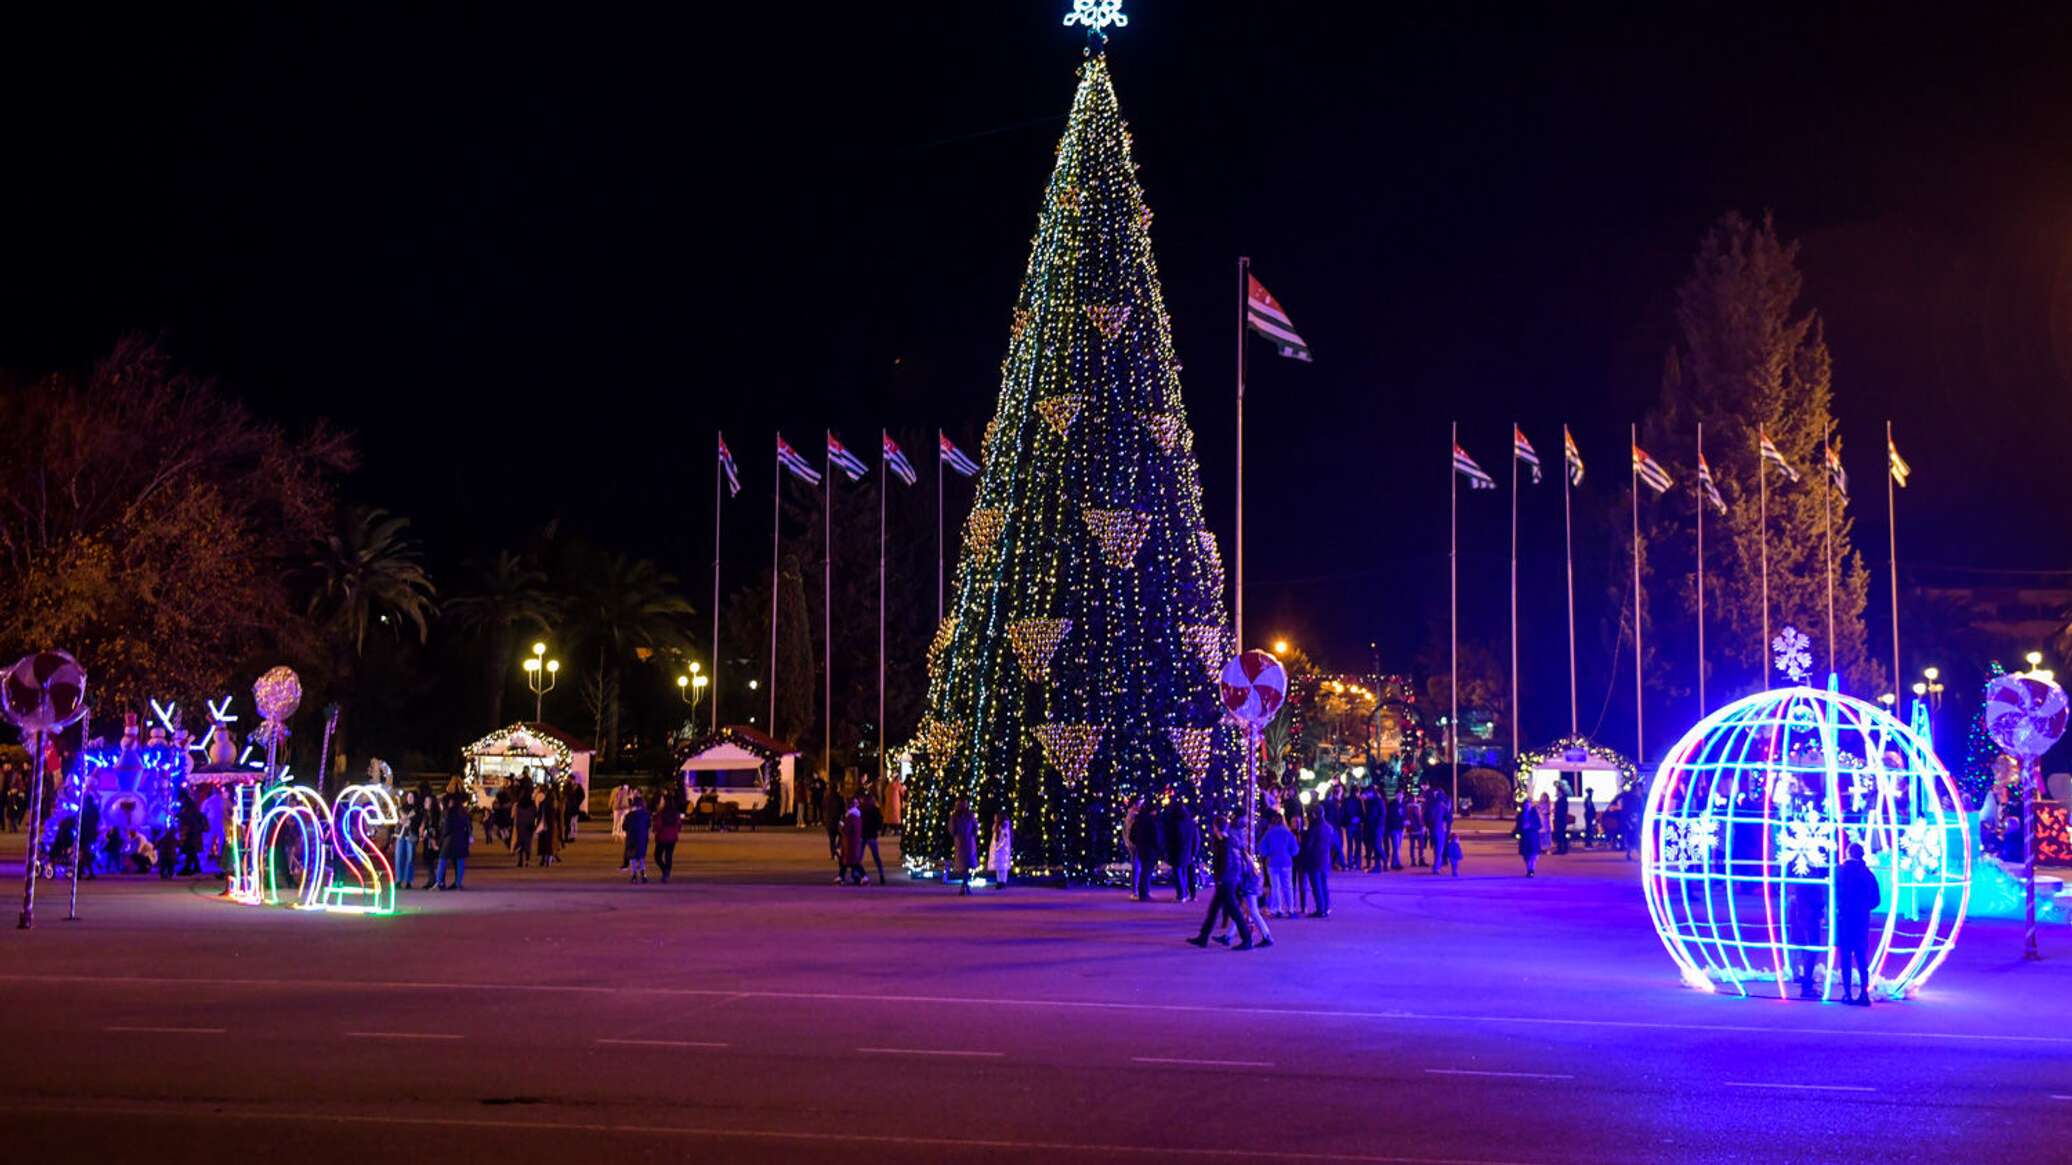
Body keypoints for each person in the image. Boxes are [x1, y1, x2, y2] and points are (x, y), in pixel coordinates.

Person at [1186, 816, 1255, 951]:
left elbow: (1226, 864)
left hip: (1226, 881)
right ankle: (1203, 937)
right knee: (1214, 910)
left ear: (1216, 827)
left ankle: (1247, 939)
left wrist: (1221, 879)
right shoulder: (1225, 841)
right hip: (1227, 880)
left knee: (1234, 910)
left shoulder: (1225, 844)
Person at [1835, 843, 1881, 1005]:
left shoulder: (1840, 871)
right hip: (1861, 920)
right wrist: (1863, 907)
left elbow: (1833, 892)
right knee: (1861, 957)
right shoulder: (1868, 874)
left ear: (1848, 853)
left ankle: (1847, 993)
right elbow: (1876, 899)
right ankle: (1864, 994)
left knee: (1845, 957)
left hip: (1844, 918)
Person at [1786, 878, 1828, 1000]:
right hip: (1810, 921)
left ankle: (1803, 979)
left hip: (1802, 920)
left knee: (1804, 950)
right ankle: (1806, 984)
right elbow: (1820, 902)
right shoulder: (1813, 886)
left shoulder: (1799, 889)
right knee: (1810, 952)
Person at [1258, 810, 1299, 918]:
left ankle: (1277, 909)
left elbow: (1262, 849)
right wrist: (1288, 853)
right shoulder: (1288, 833)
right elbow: (1295, 850)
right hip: (1286, 862)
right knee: (1288, 886)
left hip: (1273, 862)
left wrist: (1268, 853)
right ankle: (1290, 909)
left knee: (1275, 887)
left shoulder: (1269, 833)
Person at [1298, 805, 1335, 917]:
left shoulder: (1314, 828)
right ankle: (1326, 907)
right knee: (1323, 884)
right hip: (1324, 858)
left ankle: (1320, 909)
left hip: (1314, 859)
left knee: (1316, 885)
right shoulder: (1328, 827)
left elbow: (1309, 845)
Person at [1164, 797, 1199, 902]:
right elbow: (1196, 839)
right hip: (1188, 853)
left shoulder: (1173, 824)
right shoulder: (1191, 824)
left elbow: (1169, 840)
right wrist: (1194, 852)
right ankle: (1188, 894)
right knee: (1186, 873)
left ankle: (1181, 895)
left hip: (1176, 852)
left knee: (1178, 874)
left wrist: (1167, 852)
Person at [1127, 796, 1161, 900]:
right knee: (1146, 871)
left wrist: (1137, 842)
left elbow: (1131, 834)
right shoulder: (1151, 821)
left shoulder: (1138, 819)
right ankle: (1143, 893)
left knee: (1142, 870)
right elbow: (1155, 835)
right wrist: (1157, 847)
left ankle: (1142, 892)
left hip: (1141, 847)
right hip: (1149, 849)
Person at [436, 794, 471, 890]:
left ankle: (439, 882)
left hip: (449, 840)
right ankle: (458, 883)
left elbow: (445, 829)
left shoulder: (447, 813)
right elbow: (468, 826)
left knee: (442, 860)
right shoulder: (463, 813)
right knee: (460, 862)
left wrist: (440, 840)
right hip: (461, 840)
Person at [948, 798, 979, 894]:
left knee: (966, 865)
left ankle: (964, 886)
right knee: (964, 866)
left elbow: (975, 827)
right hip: (961, 842)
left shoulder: (969, 815)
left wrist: (973, 835)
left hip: (968, 842)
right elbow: (952, 829)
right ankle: (965, 886)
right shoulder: (955, 816)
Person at [653, 793, 683, 882]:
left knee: (657, 855)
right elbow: (679, 825)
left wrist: (655, 829)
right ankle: (667, 873)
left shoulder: (661, 813)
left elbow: (658, 826)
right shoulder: (675, 813)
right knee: (668, 855)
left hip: (662, 837)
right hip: (672, 837)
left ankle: (664, 870)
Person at [622, 793, 651, 884]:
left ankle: (634, 874)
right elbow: (648, 825)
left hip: (631, 838)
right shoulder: (646, 815)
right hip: (642, 838)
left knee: (633, 857)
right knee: (641, 856)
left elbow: (624, 827)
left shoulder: (629, 815)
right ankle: (643, 873)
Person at [838, 799, 866, 885]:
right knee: (847, 861)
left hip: (849, 843)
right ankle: (841, 876)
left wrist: (841, 826)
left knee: (851, 862)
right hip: (854, 842)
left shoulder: (850, 817)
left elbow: (847, 830)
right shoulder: (857, 816)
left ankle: (863, 876)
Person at [861, 793, 888, 885]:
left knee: (859, 856)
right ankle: (881, 874)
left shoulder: (862, 809)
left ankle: (858, 874)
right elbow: (880, 821)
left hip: (863, 835)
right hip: (871, 835)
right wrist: (877, 829)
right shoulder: (875, 810)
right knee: (876, 857)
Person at [1426, 787, 1452, 875]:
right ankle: (1436, 867)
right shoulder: (1443, 806)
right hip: (1440, 830)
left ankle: (1436, 866)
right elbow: (1448, 818)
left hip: (1433, 830)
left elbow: (1427, 818)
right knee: (1439, 849)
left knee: (1436, 849)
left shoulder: (1431, 805)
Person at [1517, 800, 1543, 877]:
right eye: (1526, 805)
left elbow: (1539, 825)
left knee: (1533, 854)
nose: (1527, 806)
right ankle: (1528, 869)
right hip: (1525, 836)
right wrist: (1520, 830)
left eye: (1529, 805)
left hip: (1533, 836)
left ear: (1531, 805)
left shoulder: (1534, 814)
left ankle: (1532, 869)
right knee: (1526, 855)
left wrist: (1531, 826)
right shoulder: (1521, 814)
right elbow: (1518, 825)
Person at [1384, 790, 1407, 871]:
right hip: (1394, 828)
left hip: (1401, 828)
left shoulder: (1403, 804)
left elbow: (1404, 814)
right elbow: (1391, 817)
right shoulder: (1392, 804)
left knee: (1398, 846)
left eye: (1401, 794)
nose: (1400, 795)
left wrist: (1405, 821)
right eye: (1398, 794)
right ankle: (1396, 863)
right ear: (1396, 795)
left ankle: (1395, 862)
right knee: (1396, 846)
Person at [1405, 791, 1428, 867]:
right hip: (1417, 829)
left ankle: (1413, 860)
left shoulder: (1409, 808)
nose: (1416, 799)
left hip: (1412, 829)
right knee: (1420, 845)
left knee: (1412, 845)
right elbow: (1418, 819)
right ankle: (1420, 859)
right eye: (1414, 798)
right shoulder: (1415, 807)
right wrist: (1422, 827)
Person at [1553, 786, 1571, 855]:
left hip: (1560, 819)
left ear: (1560, 792)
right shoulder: (1563, 800)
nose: (1556, 792)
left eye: (1557, 791)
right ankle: (1563, 848)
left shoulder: (1561, 800)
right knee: (1561, 834)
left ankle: (1561, 849)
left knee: (1560, 834)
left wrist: (1556, 812)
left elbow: (1561, 811)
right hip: (1561, 819)